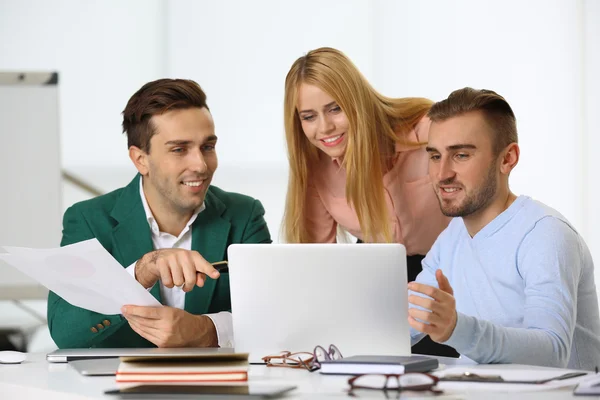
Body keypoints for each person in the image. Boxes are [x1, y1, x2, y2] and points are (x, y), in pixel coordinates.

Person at [47, 79, 271, 348]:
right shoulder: (87, 220)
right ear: (140, 159)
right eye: (179, 149)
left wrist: (207, 330)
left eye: (208, 147)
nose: (200, 165)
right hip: (117, 385)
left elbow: (274, 317)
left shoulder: (244, 215)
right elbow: (65, 332)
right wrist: (140, 273)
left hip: (218, 386)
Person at [408, 87, 600, 370]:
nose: (442, 173)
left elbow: (552, 351)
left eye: (461, 155)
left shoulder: (545, 234)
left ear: (507, 159)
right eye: (435, 156)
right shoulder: (452, 239)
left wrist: (457, 328)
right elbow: (408, 322)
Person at [282, 47, 455, 356]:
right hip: (380, 280)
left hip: (453, 272)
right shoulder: (315, 171)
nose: (324, 128)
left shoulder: (427, 130)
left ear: (357, 100)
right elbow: (319, 264)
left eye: (335, 109)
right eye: (309, 117)